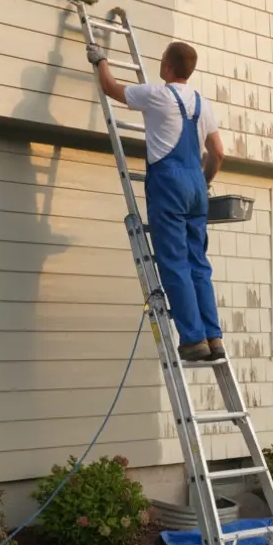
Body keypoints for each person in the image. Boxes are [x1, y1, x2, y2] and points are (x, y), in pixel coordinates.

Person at [87, 40, 227, 362]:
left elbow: (109, 87)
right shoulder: (202, 105)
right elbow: (218, 152)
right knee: (198, 266)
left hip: (170, 184)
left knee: (174, 262)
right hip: (196, 186)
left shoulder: (157, 95)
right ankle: (213, 338)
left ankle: (193, 341)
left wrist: (101, 58)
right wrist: (203, 182)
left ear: (167, 67)